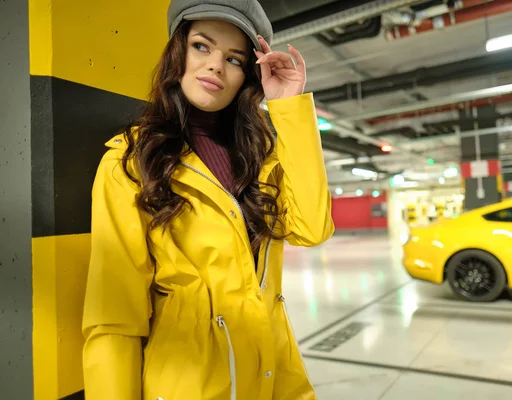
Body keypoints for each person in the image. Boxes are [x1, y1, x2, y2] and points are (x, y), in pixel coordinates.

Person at [81, 0, 335, 399]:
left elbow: (312, 229)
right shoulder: (131, 161)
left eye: (234, 58)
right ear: (177, 53)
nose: (216, 65)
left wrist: (288, 108)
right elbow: (114, 320)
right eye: (202, 46)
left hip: (276, 380)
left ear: (245, 76)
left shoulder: (260, 157)